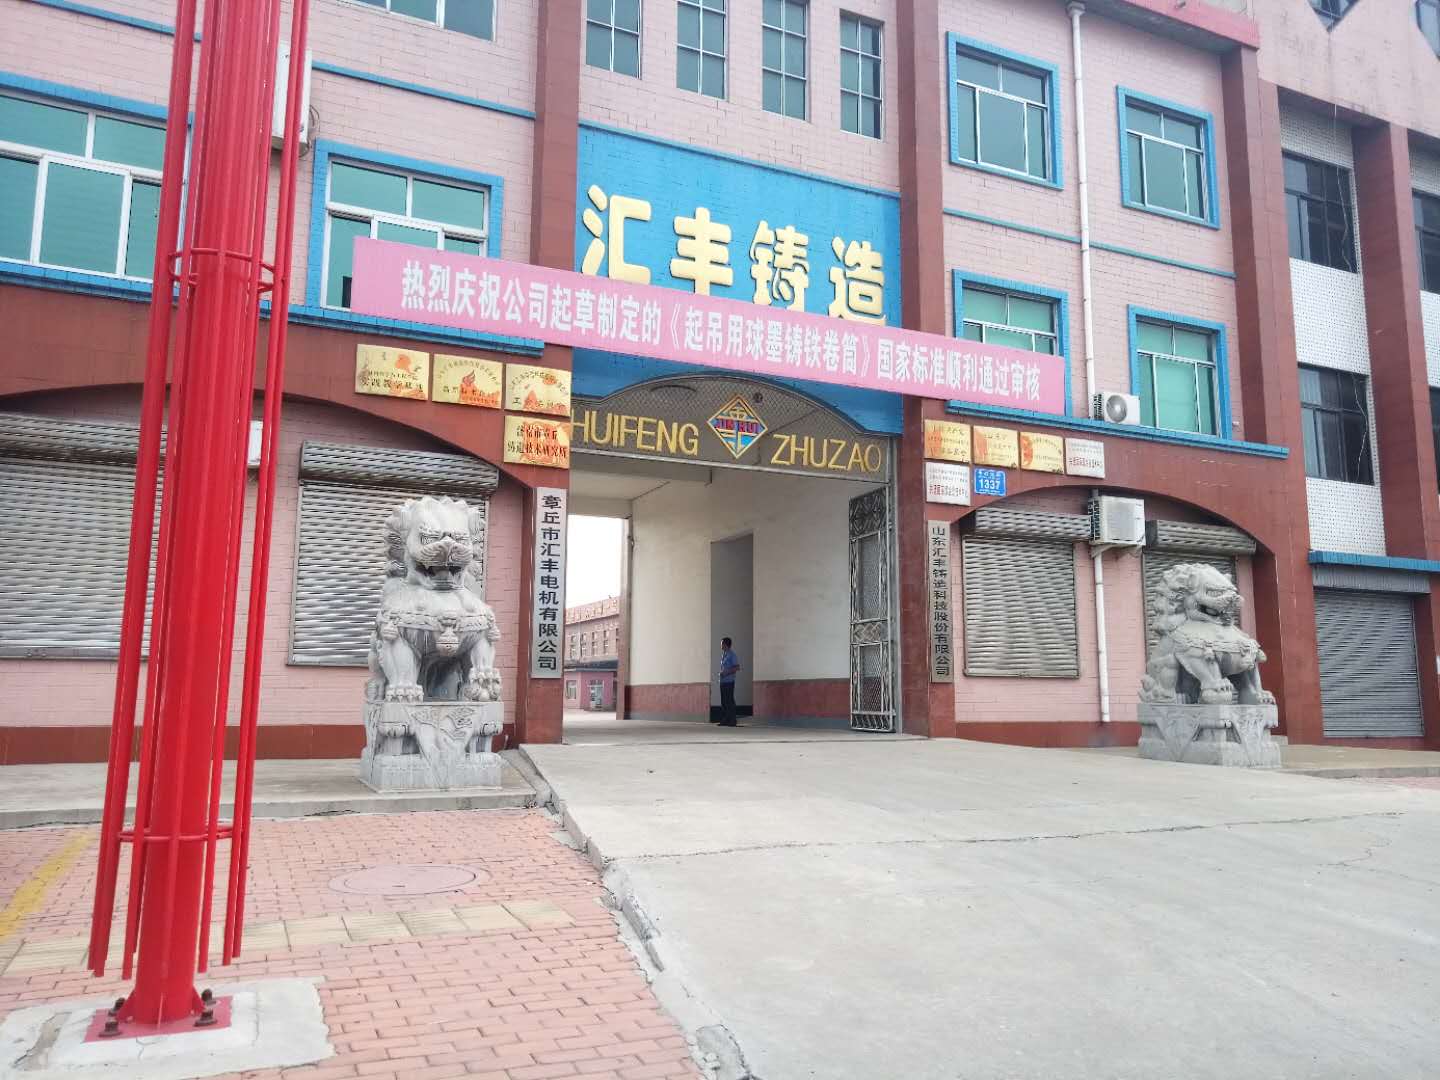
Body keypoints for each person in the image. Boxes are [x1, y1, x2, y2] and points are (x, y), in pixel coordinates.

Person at [716, 636, 741, 727]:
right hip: (723, 681)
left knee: (729, 701)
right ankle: (726, 720)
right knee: (724, 702)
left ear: (726, 644)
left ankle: (733, 720)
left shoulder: (732, 655)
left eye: (722, 643)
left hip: (729, 682)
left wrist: (726, 673)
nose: (721, 645)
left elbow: (737, 667)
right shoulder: (724, 654)